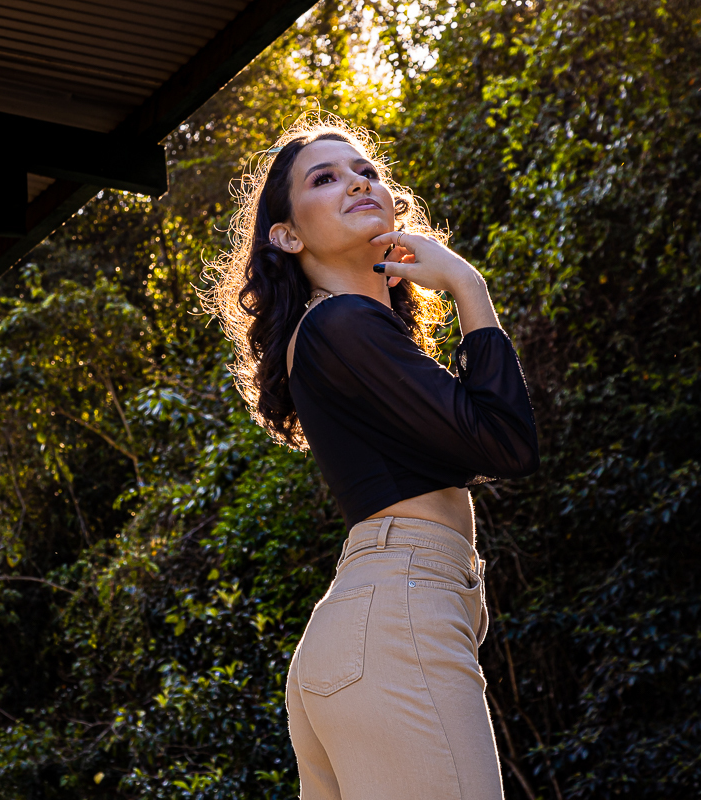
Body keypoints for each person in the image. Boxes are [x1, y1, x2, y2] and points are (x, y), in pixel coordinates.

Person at [201, 113, 539, 799]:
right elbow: (504, 441)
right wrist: (469, 287)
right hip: (397, 620)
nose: (357, 182)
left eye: (367, 172)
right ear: (287, 235)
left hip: (366, 634)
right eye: (324, 179)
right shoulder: (340, 323)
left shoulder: (343, 332)